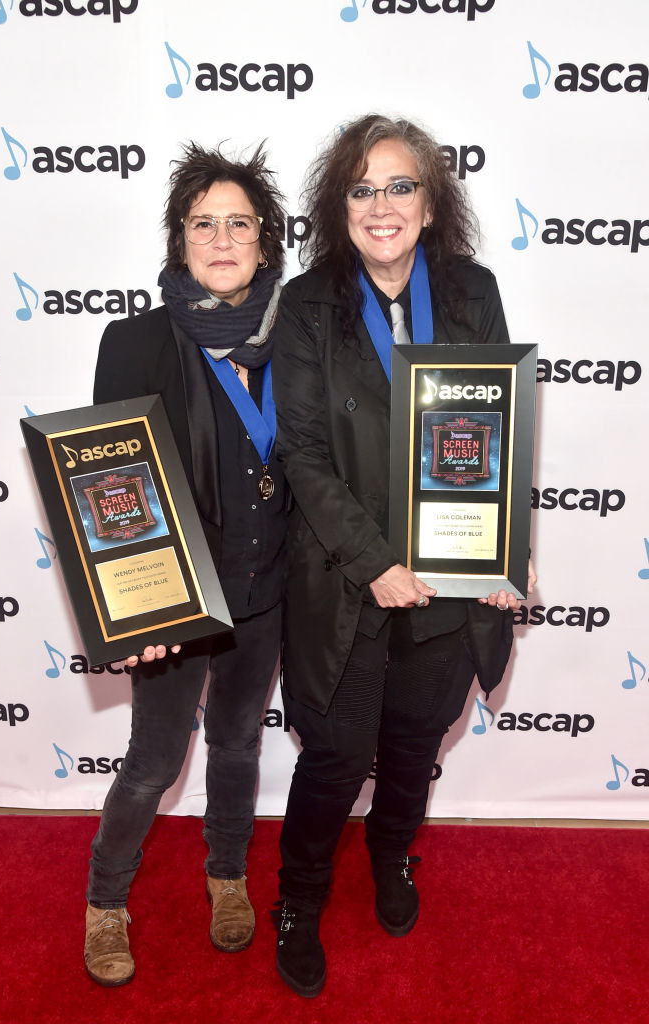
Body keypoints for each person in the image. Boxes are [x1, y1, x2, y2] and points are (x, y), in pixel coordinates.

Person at [271, 114, 537, 998]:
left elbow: (498, 430)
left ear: (430, 203)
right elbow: (302, 452)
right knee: (336, 757)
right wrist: (375, 559)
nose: (381, 205)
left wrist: (509, 545)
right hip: (354, 579)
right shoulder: (310, 302)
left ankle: (392, 860)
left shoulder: (472, 288)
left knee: (417, 742)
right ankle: (298, 902)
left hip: (451, 578)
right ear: (336, 204)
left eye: (400, 185)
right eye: (361, 187)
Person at [83, 142, 287, 986]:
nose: (222, 236)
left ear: (267, 245)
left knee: (239, 743)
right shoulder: (132, 342)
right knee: (154, 763)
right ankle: (104, 901)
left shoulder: (301, 337)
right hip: (175, 601)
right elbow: (106, 487)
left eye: (239, 221)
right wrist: (129, 612)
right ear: (179, 242)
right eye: (203, 222)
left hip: (268, 590)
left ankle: (228, 875)